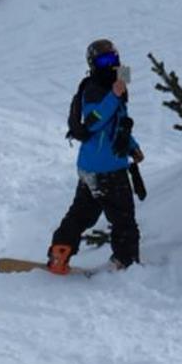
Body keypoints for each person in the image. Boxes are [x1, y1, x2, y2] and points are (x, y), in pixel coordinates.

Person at [49, 38, 145, 273]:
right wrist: (114, 95)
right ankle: (126, 262)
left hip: (95, 166)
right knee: (123, 220)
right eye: (104, 60)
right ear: (93, 63)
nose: (110, 64)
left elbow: (118, 124)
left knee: (82, 214)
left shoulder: (116, 84)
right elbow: (93, 122)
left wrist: (132, 146)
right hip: (108, 169)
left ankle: (59, 253)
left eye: (113, 58)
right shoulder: (93, 88)